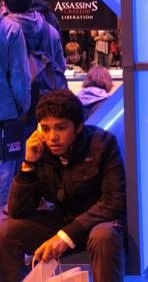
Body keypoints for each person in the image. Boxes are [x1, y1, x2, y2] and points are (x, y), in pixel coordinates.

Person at [0, 89, 126, 282]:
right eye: (46, 128)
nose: (52, 137)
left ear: (78, 126)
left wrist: (66, 236)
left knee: (104, 238)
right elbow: (18, 211)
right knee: (6, 231)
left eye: (60, 128)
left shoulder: (102, 143)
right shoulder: (41, 149)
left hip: (96, 223)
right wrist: (28, 164)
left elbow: (113, 202)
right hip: (59, 220)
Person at [2, 0, 66, 125]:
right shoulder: (50, 30)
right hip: (46, 104)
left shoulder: (6, 32)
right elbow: (60, 67)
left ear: (5, 3)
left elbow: (17, 76)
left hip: (14, 111)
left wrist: (22, 107)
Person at [0, 7, 30, 207]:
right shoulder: (10, 29)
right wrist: (23, 106)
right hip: (5, 112)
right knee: (5, 172)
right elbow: (20, 75)